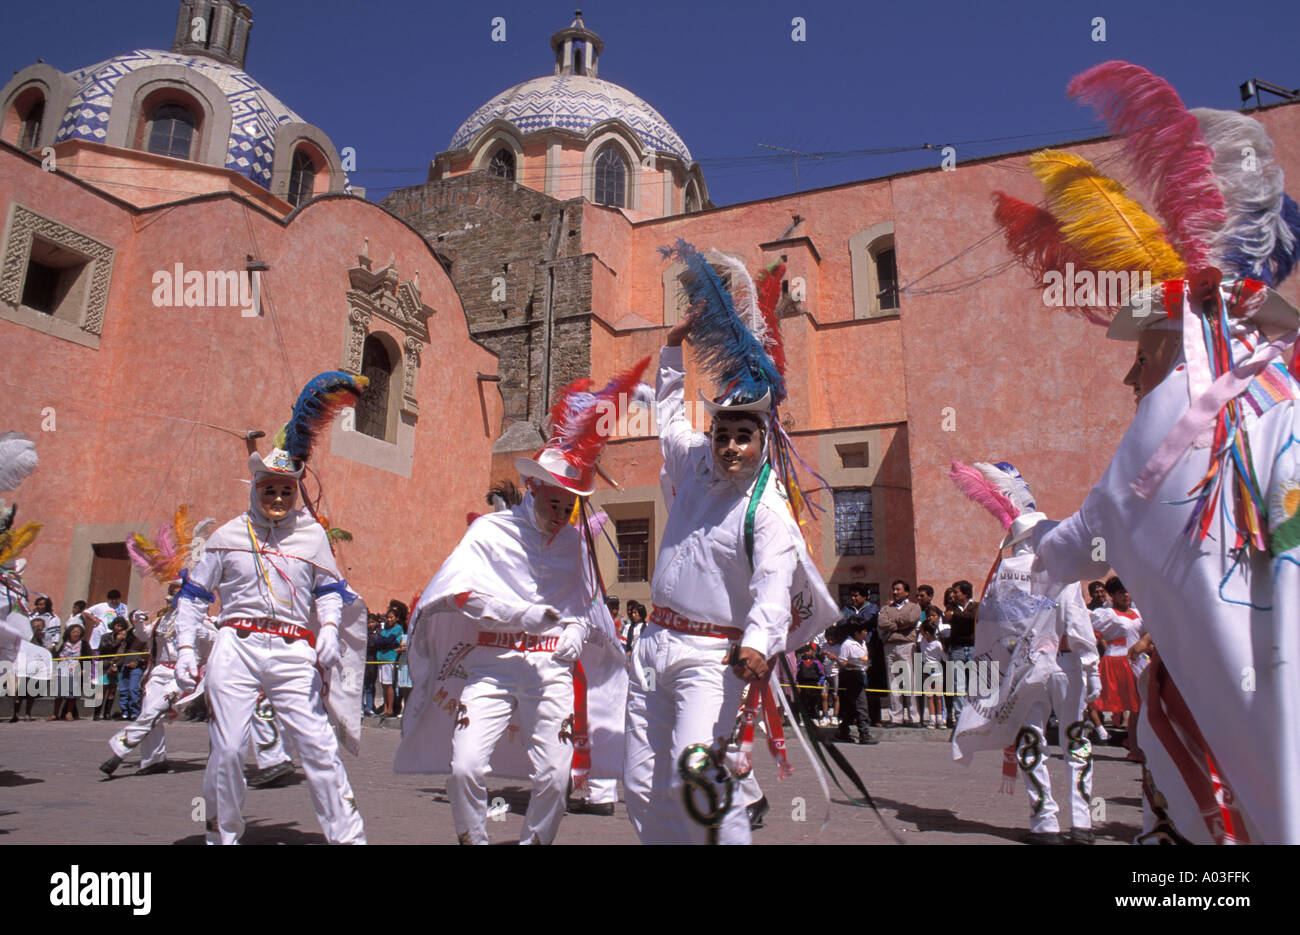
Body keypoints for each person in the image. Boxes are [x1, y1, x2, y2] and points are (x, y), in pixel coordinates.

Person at [998, 65, 1300, 842]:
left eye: (1137, 349)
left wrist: (1026, 525)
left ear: (1166, 333)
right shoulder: (1271, 402)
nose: (1129, 369)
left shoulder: (1169, 437)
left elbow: (1068, 547)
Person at [625, 244, 838, 845]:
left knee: (699, 775)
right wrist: (672, 345)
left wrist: (760, 642)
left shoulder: (767, 508)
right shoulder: (692, 462)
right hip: (651, 649)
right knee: (643, 787)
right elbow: (668, 413)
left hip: (709, 660)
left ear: (762, 439)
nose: (732, 446)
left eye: (745, 436)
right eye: (725, 432)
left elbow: (774, 581)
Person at [396, 362, 645, 844]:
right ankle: (474, 839)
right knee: (465, 765)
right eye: (555, 499)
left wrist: (574, 632)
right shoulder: (489, 531)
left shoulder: (575, 544)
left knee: (554, 776)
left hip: (550, 669)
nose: (562, 510)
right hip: (491, 665)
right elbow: (455, 594)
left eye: (570, 502)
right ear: (533, 487)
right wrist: (519, 615)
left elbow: (584, 606)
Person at [173, 372, 369, 845]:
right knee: (227, 747)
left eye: (286, 490)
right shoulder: (226, 536)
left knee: (318, 745)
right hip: (234, 645)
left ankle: (348, 837)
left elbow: (328, 588)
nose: (278, 498)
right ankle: (224, 833)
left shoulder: (312, 535)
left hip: (292, 650)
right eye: (269, 489)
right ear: (255, 488)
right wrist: (184, 649)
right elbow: (194, 596)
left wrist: (327, 628)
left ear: (294, 489)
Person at [950, 460, 1102, 844]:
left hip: (1025, 669)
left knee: (1032, 740)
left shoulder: (1001, 578)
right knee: (1076, 741)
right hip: (1066, 665)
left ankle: (1044, 822)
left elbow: (992, 631)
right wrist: (1092, 666)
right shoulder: (1057, 565)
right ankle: (1081, 822)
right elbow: (1076, 619)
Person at [102, 583, 218, 777]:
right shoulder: (162, 620)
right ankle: (153, 760)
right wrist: (137, 621)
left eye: (177, 595)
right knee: (148, 710)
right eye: (171, 595)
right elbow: (143, 635)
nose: (171, 599)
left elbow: (218, 640)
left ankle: (121, 748)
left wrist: (204, 633)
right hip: (159, 670)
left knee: (157, 710)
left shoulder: (200, 620)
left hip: (184, 673)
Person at [877, 579, 921, 726]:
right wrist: (899, 625)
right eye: (894, 589)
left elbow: (910, 619)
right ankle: (896, 717)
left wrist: (893, 623)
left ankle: (914, 717)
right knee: (893, 681)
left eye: (898, 589)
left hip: (907, 645)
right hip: (890, 645)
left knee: (910, 681)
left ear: (906, 592)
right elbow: (881, 622)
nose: (895, 592)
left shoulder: (914, 607)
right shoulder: (885, 609)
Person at [836, 620, 877, 744]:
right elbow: (842, 662)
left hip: (861, 674)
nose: (866, 633)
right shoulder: (847, 645)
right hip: (851, 675)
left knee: (852, 707)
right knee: (861, 705)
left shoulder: (863, 643)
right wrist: (854, 663)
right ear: (856, 633)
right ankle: (864, 734)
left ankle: (843, 730)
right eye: (864, 631)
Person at [946, 580, 978, 726]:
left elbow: (972, 619)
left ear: (965, 593)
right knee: (958, 684)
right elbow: (949, 617)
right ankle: (959, 717)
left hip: (972, 647)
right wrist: (957, 617)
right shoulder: (951, 607)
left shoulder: (975, 607)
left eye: (957, 592)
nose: (954, 595)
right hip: (957, 648)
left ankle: (974, 715)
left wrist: (957, 617)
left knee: (974, 683)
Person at [376, 604, 405, 718]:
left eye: (391, 617)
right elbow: (378, 641)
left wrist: (386, 642)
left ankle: (390, 709)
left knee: (389, 684)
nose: (389, 619)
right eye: (387, 617)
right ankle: (384, 708)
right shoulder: (385, 629)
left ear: (396, 618)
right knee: (383, 684)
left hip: (390, 658)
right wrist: (385, 642)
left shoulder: (398, 628)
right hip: (381, 657)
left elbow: (390, 640)